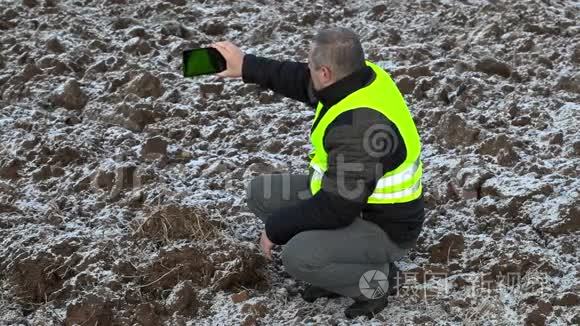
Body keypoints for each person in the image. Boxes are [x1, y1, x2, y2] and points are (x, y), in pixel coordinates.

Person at [211, 27, 425, 319]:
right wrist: (246, 65)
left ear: (325, 73)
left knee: (298, 256)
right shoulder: (360, 76)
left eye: (310, 66)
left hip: (385, 227)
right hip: (355, 202)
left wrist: (276, 229)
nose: (306, 71)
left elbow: (336, 209)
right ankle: (339, 261)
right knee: (260, 194)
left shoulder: (360, 130)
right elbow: (302, 81)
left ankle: (377, 280)